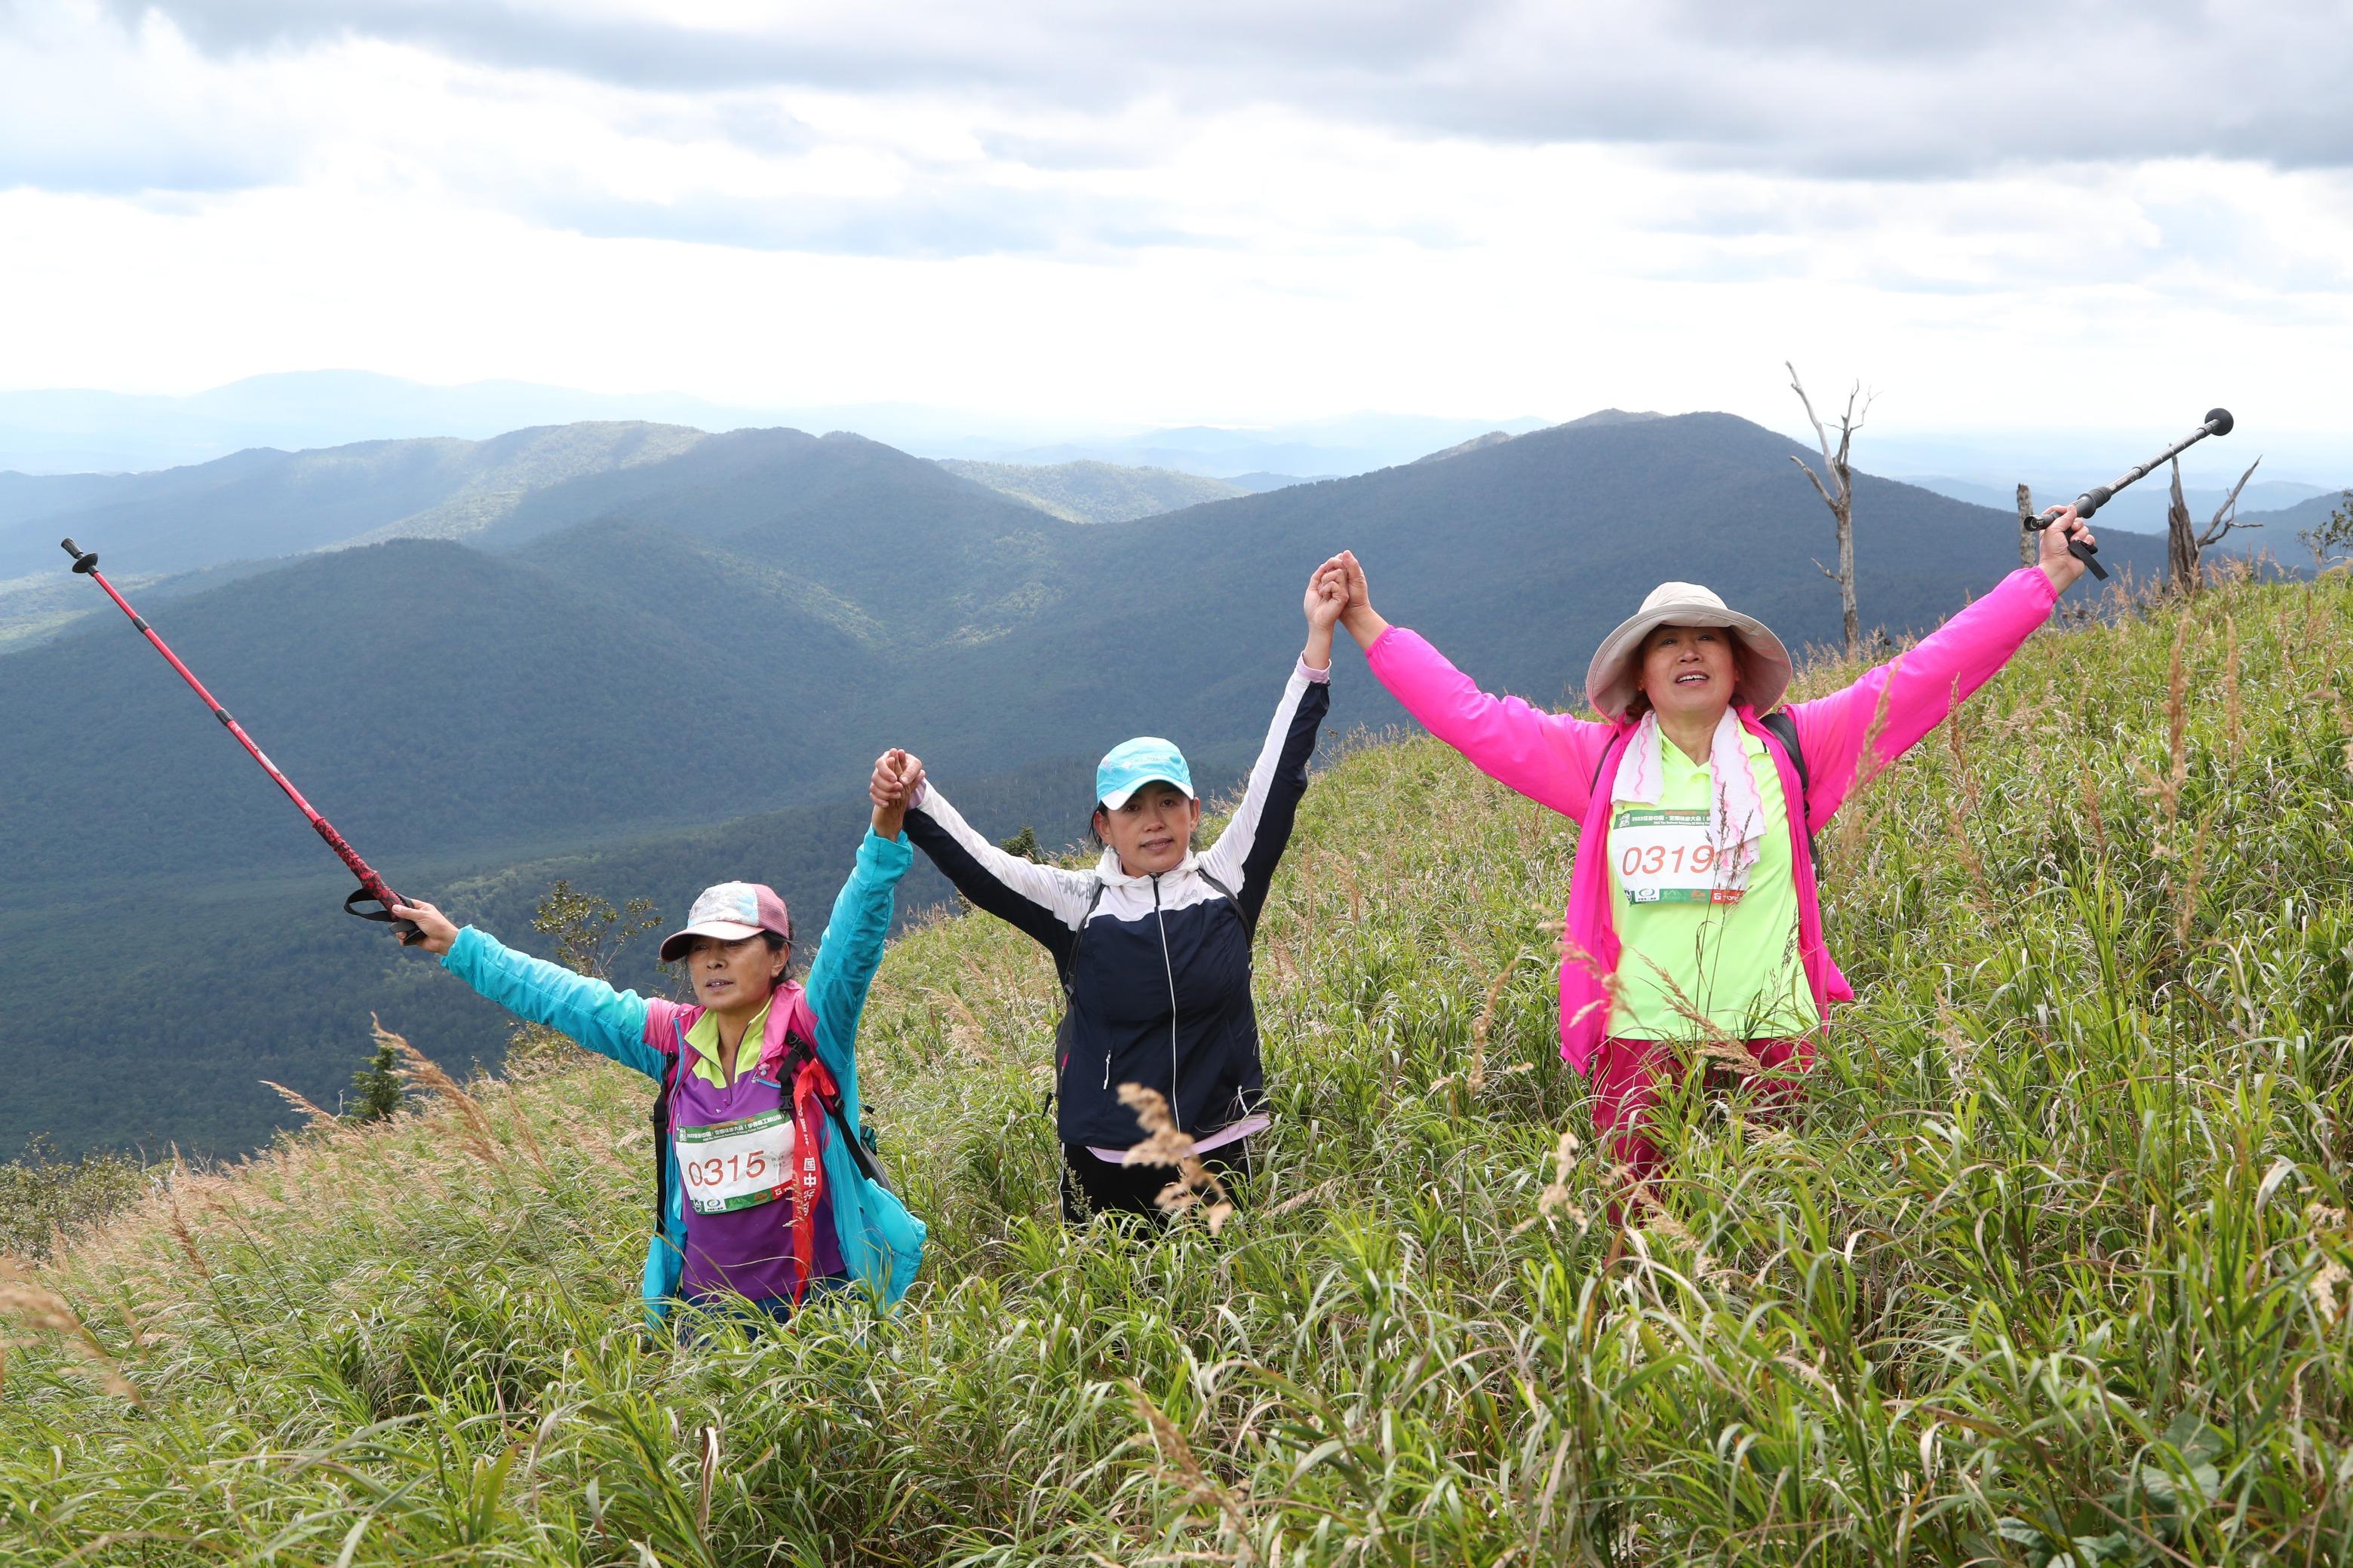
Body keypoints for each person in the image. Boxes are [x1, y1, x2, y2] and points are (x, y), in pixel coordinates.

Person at [1320, 511, 2101, 1190]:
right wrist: (1363, 622)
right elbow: (1469, 715)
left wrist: (2042, 582)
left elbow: (1927, 672)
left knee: (1774, 1242)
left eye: (1705, 640)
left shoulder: (1799, 748)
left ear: (1735, 668)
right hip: (1638, 1043)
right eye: (1665, 643)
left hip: (1772, 1035)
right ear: (1639, 674)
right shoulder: (1598, 765)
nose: (1687, 651)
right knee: (1645, 1247)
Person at [388, 764, 926, 1332]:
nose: (712, 960)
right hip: (707, 1317)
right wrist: (457, 945)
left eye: (733, 945)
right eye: (698, 949)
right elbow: (564, 997)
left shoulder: (811, 1028)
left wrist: (884, 827)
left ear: (776, 956)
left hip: (823, 1302)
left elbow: (853, 937)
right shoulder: (672, 1041)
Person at [881, 568, 1344, 1221]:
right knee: (1119, 1317)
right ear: (1104, 824)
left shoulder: (1228, 880)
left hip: (1220, 1143)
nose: (1154, 820)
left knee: (1223, 1309)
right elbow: (982, 868)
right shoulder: (1078, 905)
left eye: (1167, 802)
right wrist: (915, 797)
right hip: (1106, 1161)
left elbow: (1281, 772)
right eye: (1133, 808)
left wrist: (1316, 641)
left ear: (1194, 811)